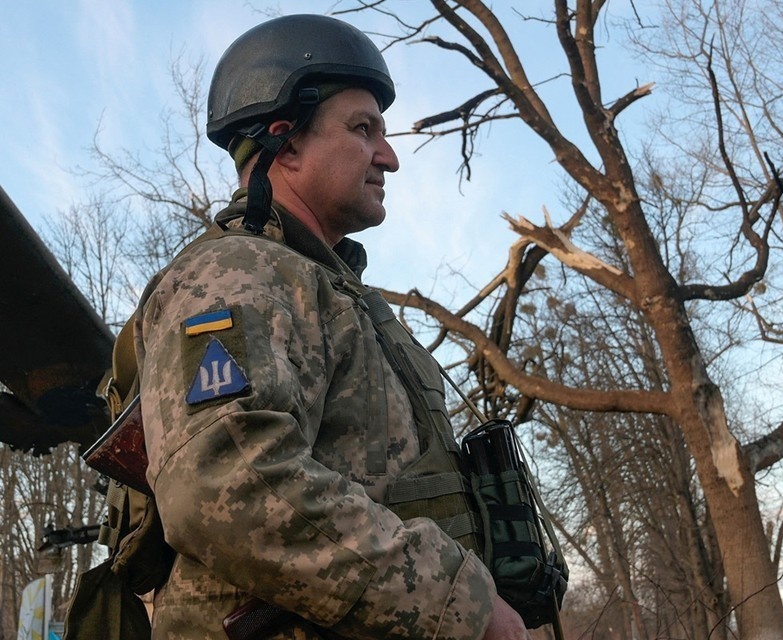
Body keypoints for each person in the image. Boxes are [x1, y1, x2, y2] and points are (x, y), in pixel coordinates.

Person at [130, 13, 529, 640]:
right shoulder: (236, 274)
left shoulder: (328, 289)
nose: (389, 156)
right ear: (285, 144)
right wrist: (457, 602)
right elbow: (226, 485)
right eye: (363, 128)